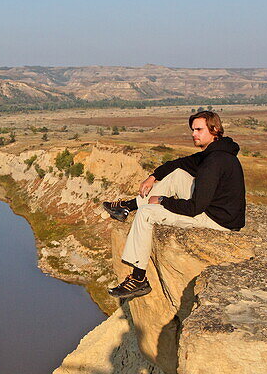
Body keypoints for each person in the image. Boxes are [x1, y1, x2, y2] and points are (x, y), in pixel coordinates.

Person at [102, 110, 245, 300]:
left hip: (218, 220)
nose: (194, 134)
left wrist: (162, 201)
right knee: (178, 174)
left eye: (199, 130)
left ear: (215, 129)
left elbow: (195, 208)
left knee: (146, 213)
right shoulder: (216, 152)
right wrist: (153, 177)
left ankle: (138, 279)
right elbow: (178, 164)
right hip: (216, 208)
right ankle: (128, 206)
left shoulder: (214, 162)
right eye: (193, 130)